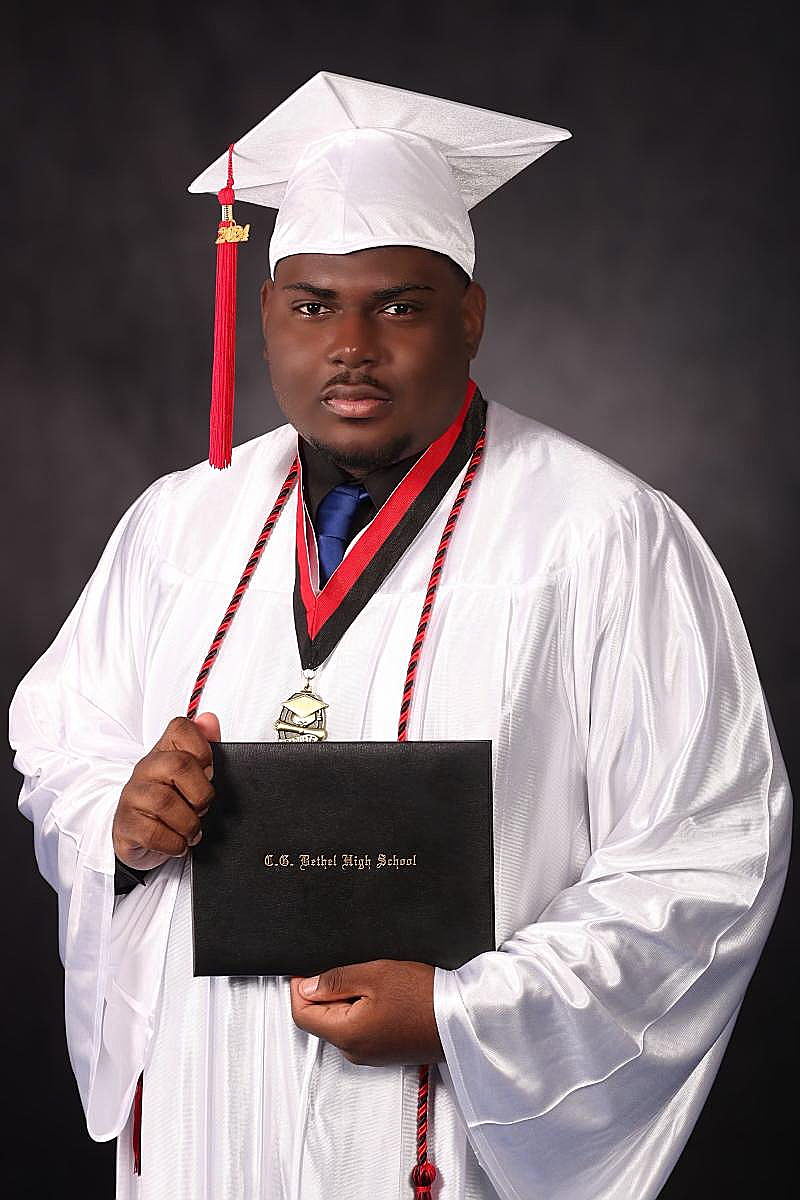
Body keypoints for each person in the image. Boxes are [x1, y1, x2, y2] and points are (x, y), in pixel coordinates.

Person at [9, 72, 791, 1200]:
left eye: (399, 305)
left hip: (428, 1124)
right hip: (205, 1105)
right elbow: (63, 745)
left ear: (470, 316)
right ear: (264, 316)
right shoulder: (180, 523)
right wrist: (118, 824)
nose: (351, 346)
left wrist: (465, 1011)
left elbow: (704, 851)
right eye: (312, 305)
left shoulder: (600, 534)